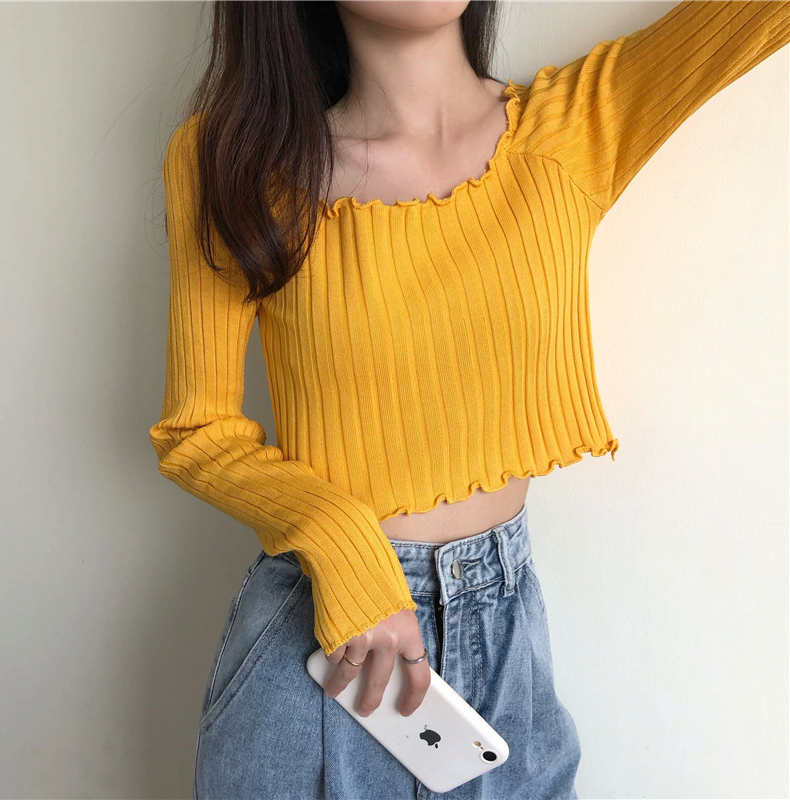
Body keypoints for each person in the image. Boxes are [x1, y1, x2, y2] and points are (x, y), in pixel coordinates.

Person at [148, 1, 790, 797]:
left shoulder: (572, 129)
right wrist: (341, 545)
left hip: (509, 640)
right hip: (327, 645)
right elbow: (197, 429)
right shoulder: (235, 163)